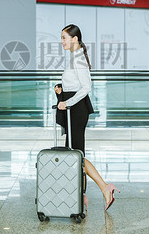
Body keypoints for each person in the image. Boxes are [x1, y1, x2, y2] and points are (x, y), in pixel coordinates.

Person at [54, 24, 119, 212]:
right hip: (73, 109)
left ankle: (105, 188)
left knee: (77, 155)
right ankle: (81, 196)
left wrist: (68, 102)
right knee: (76, 154)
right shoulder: (74, 58)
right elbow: (75, 85)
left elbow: (86, 88)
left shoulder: (78, 60)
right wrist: (62, 90)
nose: (62, 42)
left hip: (77, 111)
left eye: (64, 38)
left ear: (74, 39)